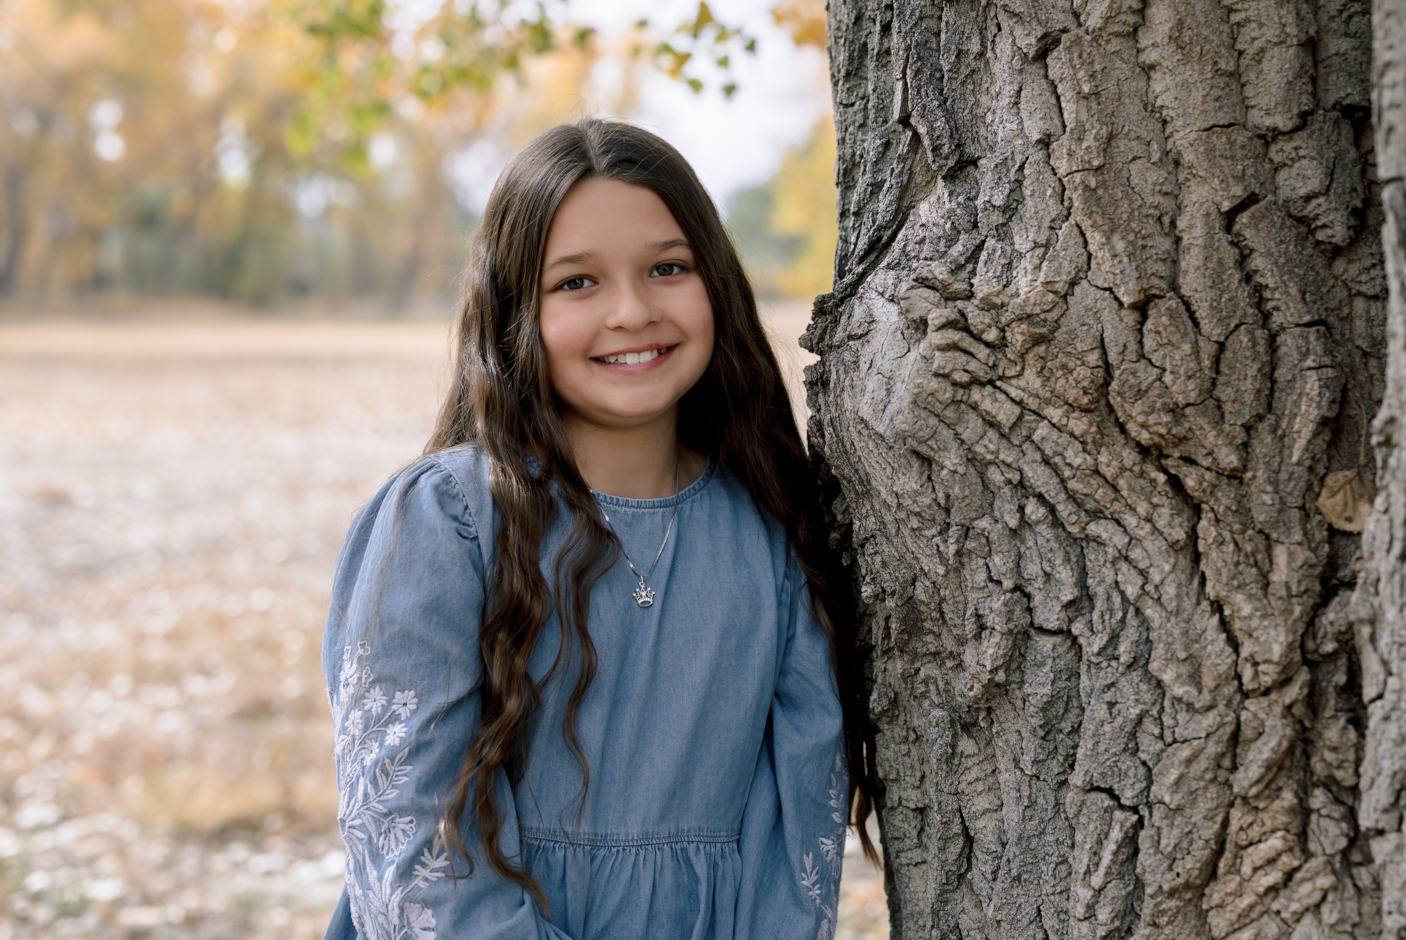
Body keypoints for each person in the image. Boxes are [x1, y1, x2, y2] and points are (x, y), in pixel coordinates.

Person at [320, 118, 875, 940]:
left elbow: (798, 836)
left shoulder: (774, 532)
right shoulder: (448, 522)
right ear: (515, 311)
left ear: (715, 282)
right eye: (576, 283)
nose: (631, 311)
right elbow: (408, 835)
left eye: (667, 268)